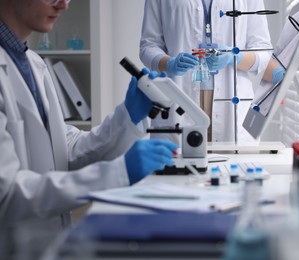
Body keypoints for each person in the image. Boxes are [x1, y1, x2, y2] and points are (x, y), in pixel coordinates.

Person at [0, 0, 177, 254]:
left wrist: (127, 116)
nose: (64, 4)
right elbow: (6, 195)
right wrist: (117, 173)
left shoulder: (34, 62)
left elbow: (66, 150)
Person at [140, 0, 276, 144]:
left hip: (232, 105)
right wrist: (168, 63)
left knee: (235, 164)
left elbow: (263, 50)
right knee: (178, 164)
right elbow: (148, 45)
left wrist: (234, 56)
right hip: (179, 97)